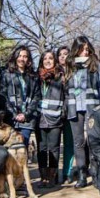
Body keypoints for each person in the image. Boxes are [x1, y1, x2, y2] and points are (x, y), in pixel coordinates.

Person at [64, 36, 100, 188]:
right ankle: (82, 175)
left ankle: (95, 174)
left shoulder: (95, 64)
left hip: (92, 106)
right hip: (75, 107)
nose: (85, 52)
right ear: (76, 49)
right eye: (82, 49)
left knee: (94, 140)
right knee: (78, 142)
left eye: (87, 49)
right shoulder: (70, 65)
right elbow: (66, 87)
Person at [36, 50, 65, 187]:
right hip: (40, 119)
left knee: (54, 149)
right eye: (45, 58)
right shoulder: (37, 77)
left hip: (55, 119)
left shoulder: (60, 77)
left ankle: (53, 177)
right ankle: (43, 177)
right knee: (42, 149)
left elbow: (65, 97)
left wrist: (62, 113)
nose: (48, 61)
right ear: (41, 61)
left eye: (51, 58)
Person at [0, 45, 41, 143]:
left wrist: (25, 115)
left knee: (22, 147)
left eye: (25, 56)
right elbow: (2, 96)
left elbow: (36, 96)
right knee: (9, 149)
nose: (22, 59)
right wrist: (14, 114)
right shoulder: (6, 74)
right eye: (20, 56)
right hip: (10, 119)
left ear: (28, 59)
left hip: (27, 121)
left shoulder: (33, 77)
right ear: (15, 57)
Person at [57, 46, 76, 184]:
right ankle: (52, 173)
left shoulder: (74, 72)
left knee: (69, 143)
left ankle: (67, 172)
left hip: (70, 111)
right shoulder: (53, 72)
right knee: (55, 144)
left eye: (66, 54)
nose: (63, 56)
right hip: (55, 113)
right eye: (60, 54)